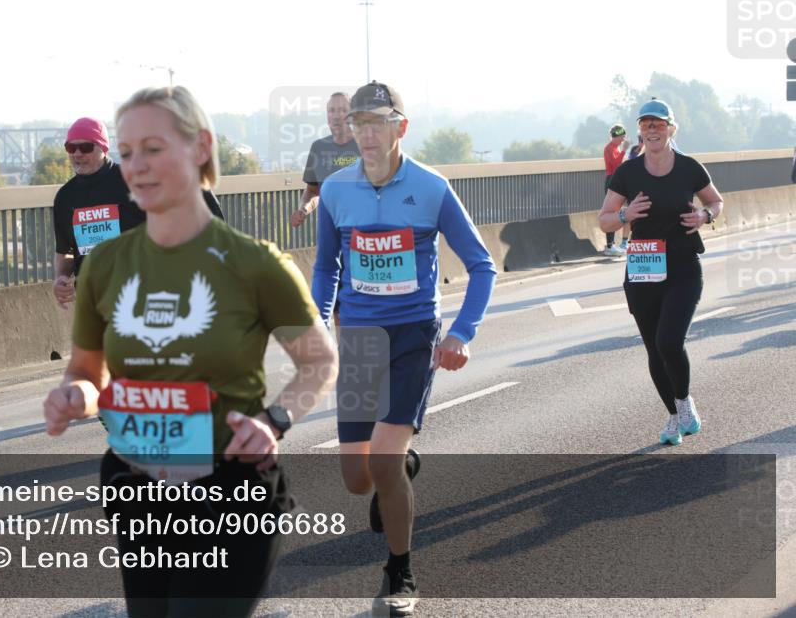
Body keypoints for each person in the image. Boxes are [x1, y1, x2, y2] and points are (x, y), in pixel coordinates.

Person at [43, 86, 338, 617]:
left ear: (201, 147)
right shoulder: (105, 265)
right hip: (138, 482)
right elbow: (89, 373)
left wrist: (275, 419)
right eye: (129, 152)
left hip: (230, 486)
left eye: (154, 148)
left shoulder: (253, 263)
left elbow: (319, 360)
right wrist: (74, 396)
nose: (137, 166)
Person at [311, 81, 496, 616]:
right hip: (360, 342)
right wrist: (321, 323)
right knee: (357, 479)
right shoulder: (336, 191)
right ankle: (402, 467)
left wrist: (462, 332)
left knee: (384, 463)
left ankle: (400, 569)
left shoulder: (432, 188)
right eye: (359, 124)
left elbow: (482, 265)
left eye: (378, 123)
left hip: (413, 335)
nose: (366, 134)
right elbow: (327, 268)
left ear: (401, 128)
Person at [599, 99, 724, 446]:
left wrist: (705, 216)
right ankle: (674, 416)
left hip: (683, 263)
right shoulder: (628, 172)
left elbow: (716, 201)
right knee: (654, 347)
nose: (652, 130)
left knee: (670, 340)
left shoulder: (689, 167)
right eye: (646, 124)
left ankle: (685, 404)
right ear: (640, 130)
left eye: (658, 124)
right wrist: (626, 216)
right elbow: (604, 219)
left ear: (671, 128)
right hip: (643, 265)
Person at [51, 117, 225, 309]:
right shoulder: (65, 198)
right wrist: (61, 277)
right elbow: (65, 253)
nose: (77, 154)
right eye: (70, 148)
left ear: (103, 148)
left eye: (85, 147)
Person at [289, 92, 360, 228]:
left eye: (343, 110)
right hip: (328, 230)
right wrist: (304, 209)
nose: (336, 116)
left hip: (363, 233)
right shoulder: (318, 147)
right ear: (327, 116)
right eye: (331, 111)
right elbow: (312, 191)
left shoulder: (367, 145)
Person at [602, 124, 630, 256]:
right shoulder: (609, 148)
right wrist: (624, 151)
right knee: (611, 211)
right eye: (622, 137)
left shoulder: (615, 148)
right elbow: (615, 164)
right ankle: (609, 245)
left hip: (617, 180)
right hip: (611, 180)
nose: (623, 140)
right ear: (616, 136)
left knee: (618, 210)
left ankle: (614, 244)